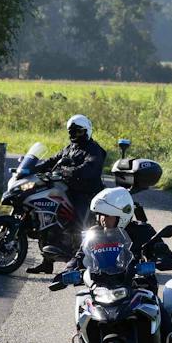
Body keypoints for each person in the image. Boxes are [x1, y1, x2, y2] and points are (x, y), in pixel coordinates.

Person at [26, 114, 107, 273]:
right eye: (70, 131)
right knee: (48, 218)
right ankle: (47, 262)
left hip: (87, 193)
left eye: (76, 131)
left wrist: (67, 172)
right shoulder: (70, 148)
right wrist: (31, 169)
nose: (72, 135)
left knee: (79, 223)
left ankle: (79, 260)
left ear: (85, 131)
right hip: (68, 190)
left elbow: (89, 169)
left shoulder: (94, 149)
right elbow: (52, 161)